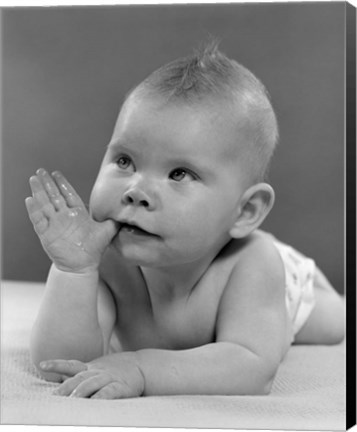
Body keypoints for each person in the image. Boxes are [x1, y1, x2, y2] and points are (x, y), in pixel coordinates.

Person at [25, 42, 345, 399]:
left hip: (284, 286)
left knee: (335, 324)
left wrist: (141, 368)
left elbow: (253, 368)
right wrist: (73, 272)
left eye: (179, 173)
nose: (136, 190)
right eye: (125, 161)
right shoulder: (109, 262)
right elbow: (62, 364)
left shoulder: (251, 264)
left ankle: (312, 278)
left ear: (246, 211)